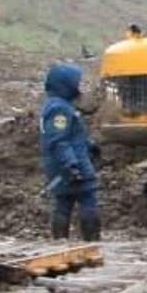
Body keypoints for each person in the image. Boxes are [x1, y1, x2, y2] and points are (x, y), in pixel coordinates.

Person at [39, 62, 101, 241]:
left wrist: (89, 146)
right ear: (65, 85)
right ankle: (91, 242)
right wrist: (71, 165)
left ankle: (60, 243)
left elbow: (71, 137)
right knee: (86, 201)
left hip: (63, 165)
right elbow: (59, 140)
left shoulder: (57, 106)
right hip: (71, 166)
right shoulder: (60, 109)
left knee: (63, 202)